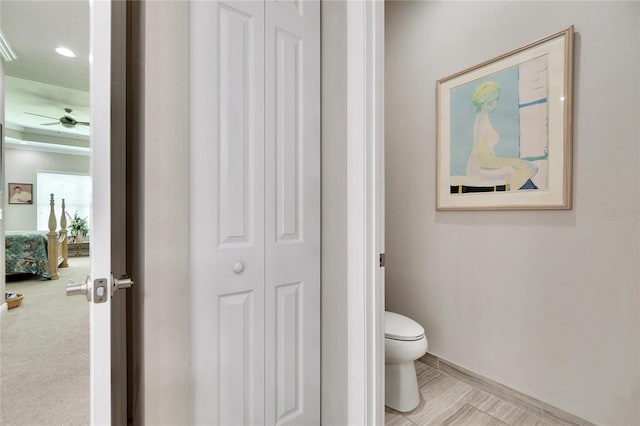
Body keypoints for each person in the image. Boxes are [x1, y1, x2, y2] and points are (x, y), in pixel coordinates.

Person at [466, 81, 537, 191]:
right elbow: (485, 160)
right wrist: (513, 162)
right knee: (521, 169)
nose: (496, 103)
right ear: (488, 102)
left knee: (524, 168)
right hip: (480, 168)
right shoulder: (482, 123)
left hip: (483, 164)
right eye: (496, 100)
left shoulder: (483, 119)